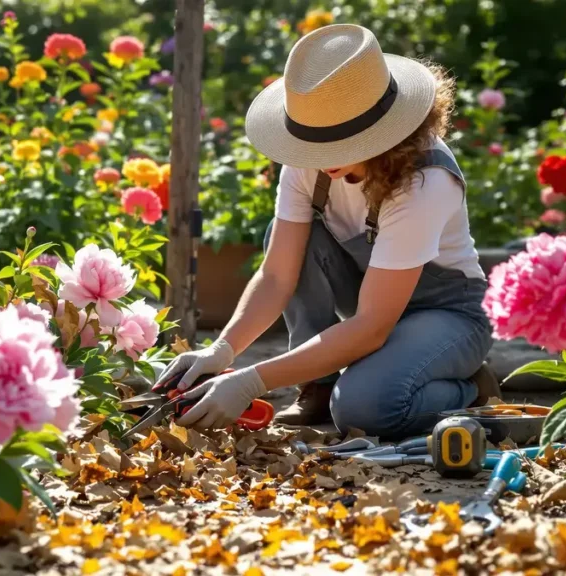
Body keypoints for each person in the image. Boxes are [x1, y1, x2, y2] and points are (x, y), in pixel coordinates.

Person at [156, 23, 500, 438]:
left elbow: (372, 325)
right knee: (293, 239)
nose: (322, 159)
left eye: (339, 144)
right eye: (316, 145)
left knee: (364, 410)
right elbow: (278, 275)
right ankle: (318, 383)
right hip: (371, 303)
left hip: (446, 316)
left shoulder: (425, 180)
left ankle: (468, 389)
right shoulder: (308, 159)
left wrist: (252, 380)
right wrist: (221, 350)